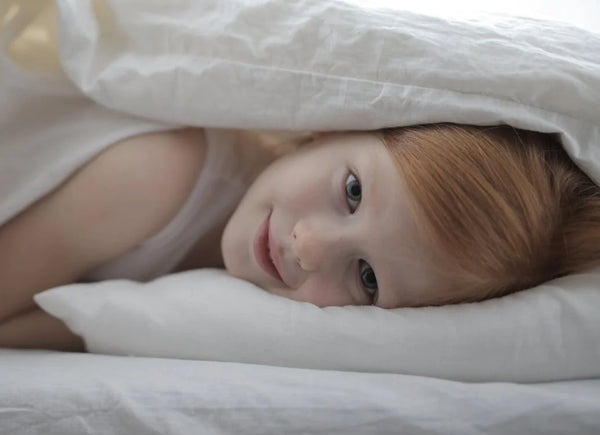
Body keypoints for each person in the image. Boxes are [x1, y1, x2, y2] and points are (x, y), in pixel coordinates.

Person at [0, 123, 599, 350]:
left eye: (366, 278)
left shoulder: (222, 314)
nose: (309, 247)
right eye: (354, 191)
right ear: (333, 129)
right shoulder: (156, 173)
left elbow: (66, 327)